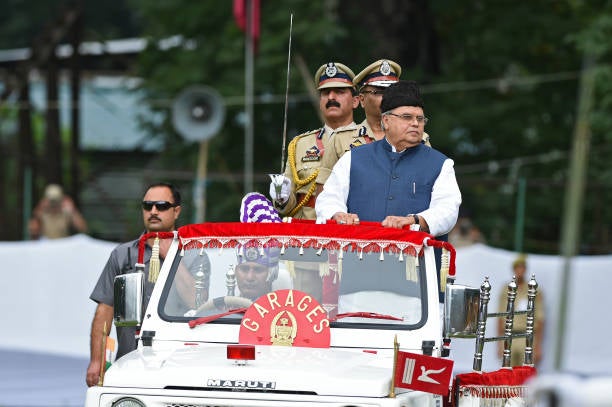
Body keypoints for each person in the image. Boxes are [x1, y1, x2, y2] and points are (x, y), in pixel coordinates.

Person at [315, 80, 461, 238]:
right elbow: (328, 198)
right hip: (358, 257)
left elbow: (448, 209)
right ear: (386, 121)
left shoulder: (440, 164)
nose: (415, 123)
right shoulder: (352, 159)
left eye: (420, 119)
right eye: (407, 117)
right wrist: (338, 214)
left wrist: (415, 220)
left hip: (418, 259)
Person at [86, 182, 183, 387]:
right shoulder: (123, 254)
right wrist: (97, 361)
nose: (153, 211)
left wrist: (171, 256)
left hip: (178, 364)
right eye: (148, 206)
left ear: (176, 211)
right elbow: (105, 310)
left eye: (162, 206)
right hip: (129, 360)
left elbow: (195, 301)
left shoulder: (193, 253)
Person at [269, 61, 360, 220]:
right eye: (325, 93)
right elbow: (288, 207)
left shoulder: (368, 141)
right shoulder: (299, 145)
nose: (331, 97)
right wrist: (281, 197)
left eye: (339, 91)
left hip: (352, 229)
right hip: (308, 233)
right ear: (320, 101)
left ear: (356, 101)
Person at [497, 254, 545, 367]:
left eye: (522, 267)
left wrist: (538, 346)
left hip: (527, 337)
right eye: (517, 267)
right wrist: (499, 344)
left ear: (525, 269)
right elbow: (500, 316)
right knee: (508, 373)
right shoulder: (506, 289)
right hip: (509, 336)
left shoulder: (533, 290)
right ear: (513, 269)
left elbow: (540, 319)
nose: (519, 270)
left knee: (526, 374)